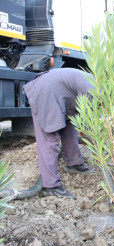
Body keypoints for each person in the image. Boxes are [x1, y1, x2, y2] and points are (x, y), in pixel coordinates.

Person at [24, 68, 95, 198]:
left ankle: (74, 164)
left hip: (61, 94)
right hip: (46, 91)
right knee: (49, 138)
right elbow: (90, 121)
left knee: (70, 127)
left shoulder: (95, 84)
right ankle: (50, 186)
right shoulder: (93, 89)